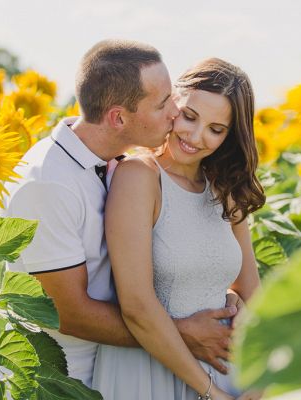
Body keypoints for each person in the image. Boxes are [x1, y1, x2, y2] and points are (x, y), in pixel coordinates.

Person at [2, 40, 244, 388]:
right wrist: (182, 333)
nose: (175, 112)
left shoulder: (112, 161)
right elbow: (65, 311)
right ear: (118, 117)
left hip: (124, 361)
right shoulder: (48, 183)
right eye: (163, 104)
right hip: (65, 379)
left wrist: (219, 292)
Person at [92, 58, 266, 400]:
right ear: (173, 103)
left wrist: (260, 382)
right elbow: (137, 305)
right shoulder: (140, 177)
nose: (195, 137)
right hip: (151, 374)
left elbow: (251, 291)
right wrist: (211, 393)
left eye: (216, 129)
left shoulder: (224, 187)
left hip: (229, 376)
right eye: (190, 116)